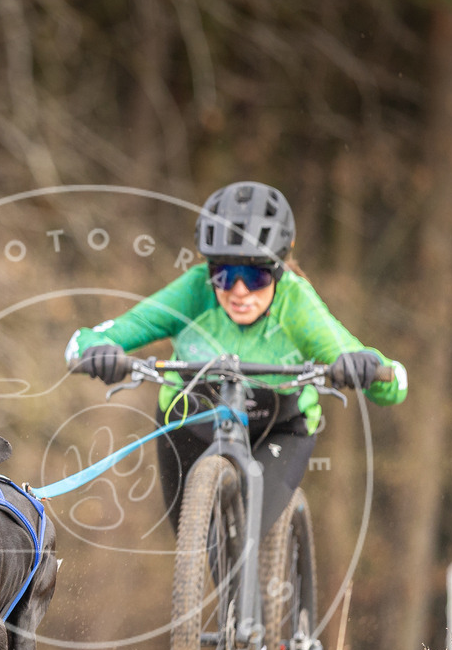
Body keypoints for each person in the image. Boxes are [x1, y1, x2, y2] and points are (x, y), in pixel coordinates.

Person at [64, 180, 408, 538]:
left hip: (280, 425)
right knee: (197, 540)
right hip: (190, 419)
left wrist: (366, 368)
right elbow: (87, 339)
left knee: (244, 534)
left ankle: (262, 590)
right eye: (224, 274)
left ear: (278, 269)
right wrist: (96, 350)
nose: (240, 290)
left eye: (256, 275)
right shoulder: (194, 292)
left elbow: (391, 382)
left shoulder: (296, 304)